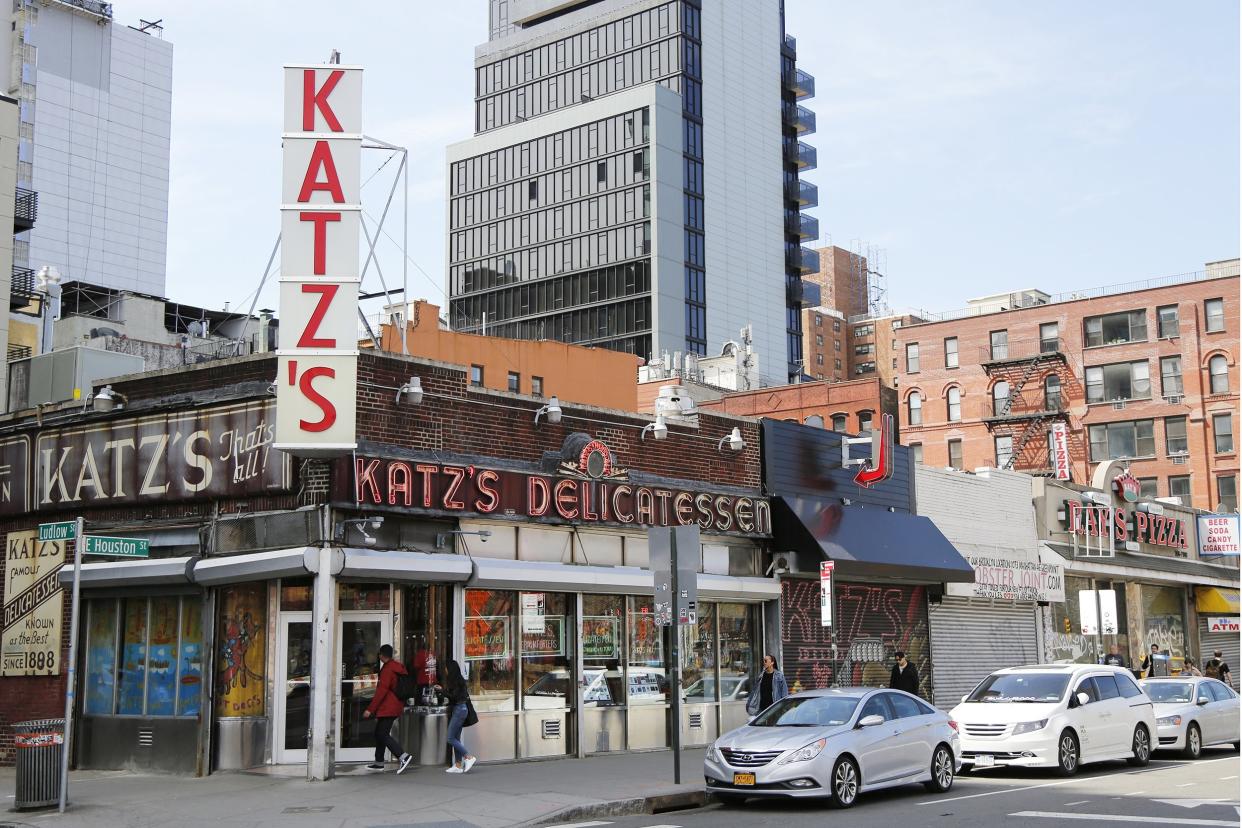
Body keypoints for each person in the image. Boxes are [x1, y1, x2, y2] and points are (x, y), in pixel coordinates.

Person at [362, 644, 413, 774]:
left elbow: (381, 691)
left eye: (379, 654)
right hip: (394, 705)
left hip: (388, 706)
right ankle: (379, 763)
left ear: (381, 655)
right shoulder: (397, 667)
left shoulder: (388, 669)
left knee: (381, 734)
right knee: (379, 733)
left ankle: (403, 756)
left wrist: (370, 709)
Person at [436, 659, 477, 774]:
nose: (445, 670)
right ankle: (458, 765)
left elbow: (454, 697)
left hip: (459, 710)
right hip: (459, 710)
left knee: (450, 738)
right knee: (456, 738)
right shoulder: (458, 680)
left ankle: (468, 757)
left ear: (450, 669)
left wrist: (442, 691)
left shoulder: (456, 681)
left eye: (446, 668)